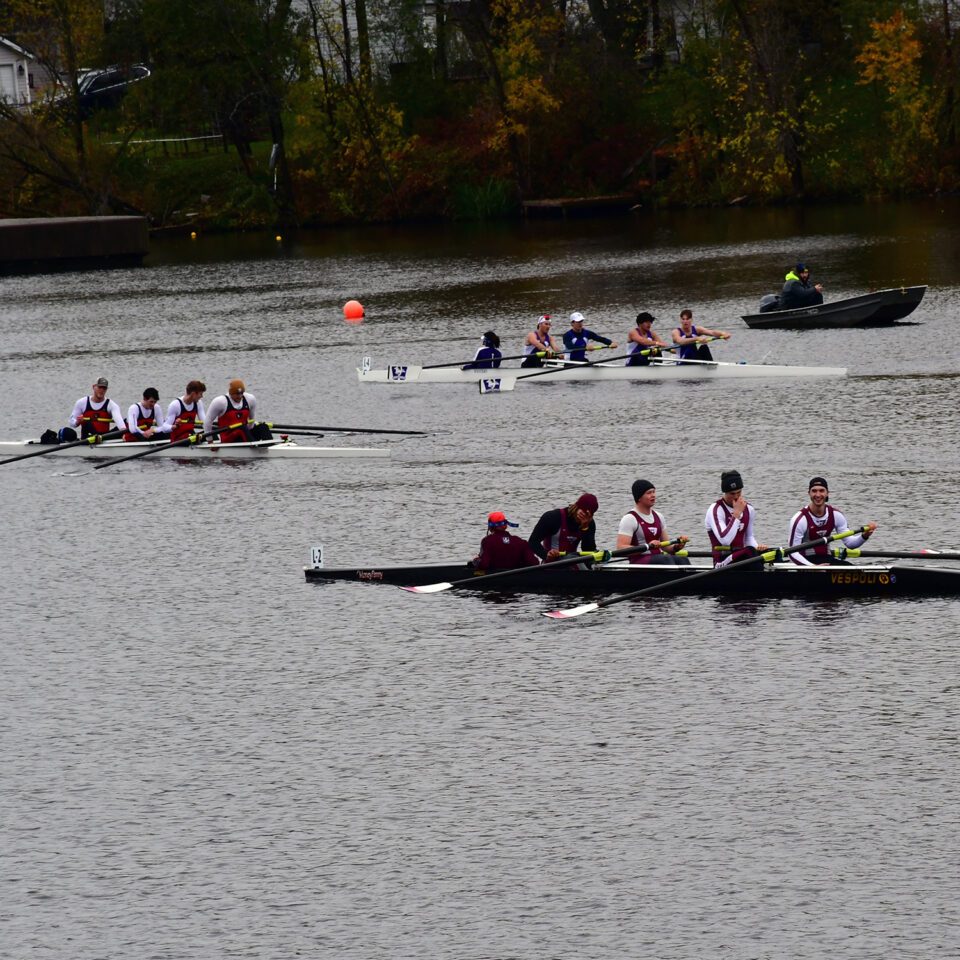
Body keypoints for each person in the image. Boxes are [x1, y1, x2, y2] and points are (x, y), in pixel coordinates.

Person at [787, 477, 878, 565]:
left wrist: (865, 535)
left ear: (827, 493)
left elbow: (850, 543)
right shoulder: (800, 519)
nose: (818, 495)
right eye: (814, 491)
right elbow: (792, 553)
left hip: (827, 559)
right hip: (805, 563)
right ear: (809, 494)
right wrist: (813, 567)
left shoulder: (836, 515)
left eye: (821, 491)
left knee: (850, 568)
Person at [616, 480, 690, 564]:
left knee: (683, 559)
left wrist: (677, 546)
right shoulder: (630, 518)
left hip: (659, 559)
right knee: (666, 559)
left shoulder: (659, 516)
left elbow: (667, 548)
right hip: (639, 561)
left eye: (654, 492)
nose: (653, 495)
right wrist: (647, 546)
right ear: (639, 497)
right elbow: (621, 548)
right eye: (649, 493)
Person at [705, 470, 768, 568]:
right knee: (750, 551)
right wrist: (737, 514)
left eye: (739, 492)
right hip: (721, 562)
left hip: (742, 557)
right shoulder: (716, 509)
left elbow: (749, 538)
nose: (736, 497)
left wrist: (758, 548)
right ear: (725, 492)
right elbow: (724, 540)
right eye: (732, 494)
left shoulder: (749, 509)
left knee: (771, 553)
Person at [530, 493, 599, 562]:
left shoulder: (589, 523)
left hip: (572, 563)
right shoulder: (552, 517)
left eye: (588, 515)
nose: (584, 517)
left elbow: (589, 552)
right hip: (551, 564)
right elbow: (533, 542)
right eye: (583, 512)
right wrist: (546, 555)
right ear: (576, 507)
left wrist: (585, 528)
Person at [472, 511, 540, 570]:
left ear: (490, 527)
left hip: (495, 580)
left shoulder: (487, 541)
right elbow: (534, 563)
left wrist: (476, 561)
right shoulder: (521, 542)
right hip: (518, 578)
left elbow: (484, 565)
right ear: (506, 525)